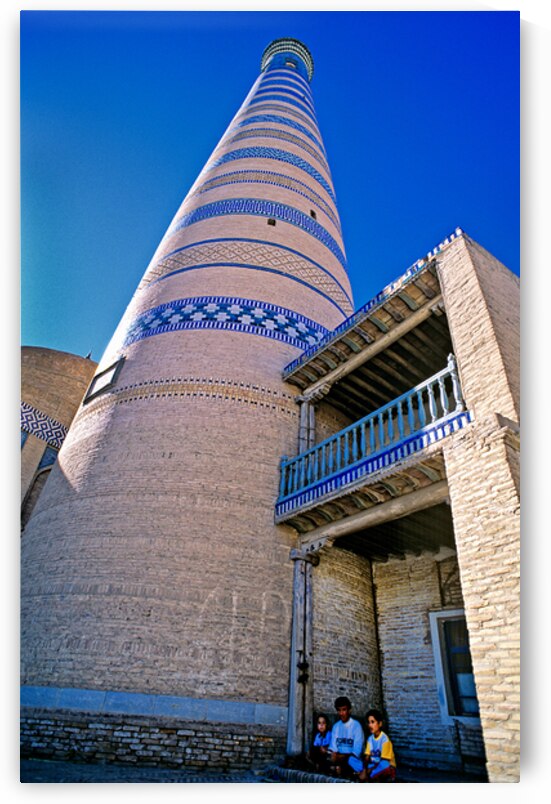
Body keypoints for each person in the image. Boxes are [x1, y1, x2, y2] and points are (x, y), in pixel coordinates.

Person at [328, 696, 365, 779]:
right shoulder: (336, 726)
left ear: (349, 710)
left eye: (344, 710)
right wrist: (333, 755)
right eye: (339, 710)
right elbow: (333, 749)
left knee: (351, 761)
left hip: (352, 761)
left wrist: (340, 757)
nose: (341, 713)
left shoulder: (356, 726)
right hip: (338, 760)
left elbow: (356, 752)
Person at [359, 709, 396, 783]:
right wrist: (365, 770)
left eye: (373, 722)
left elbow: (385, 760)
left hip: (385, 766)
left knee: (384, 764)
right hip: (374, 764)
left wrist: (370, 770)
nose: (370, 725)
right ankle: (368, 774)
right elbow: (367, 757)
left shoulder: (385, 739)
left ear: (379, 724)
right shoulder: (370, 739)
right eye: (369, 722)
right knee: (353, 760)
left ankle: (371, 775)